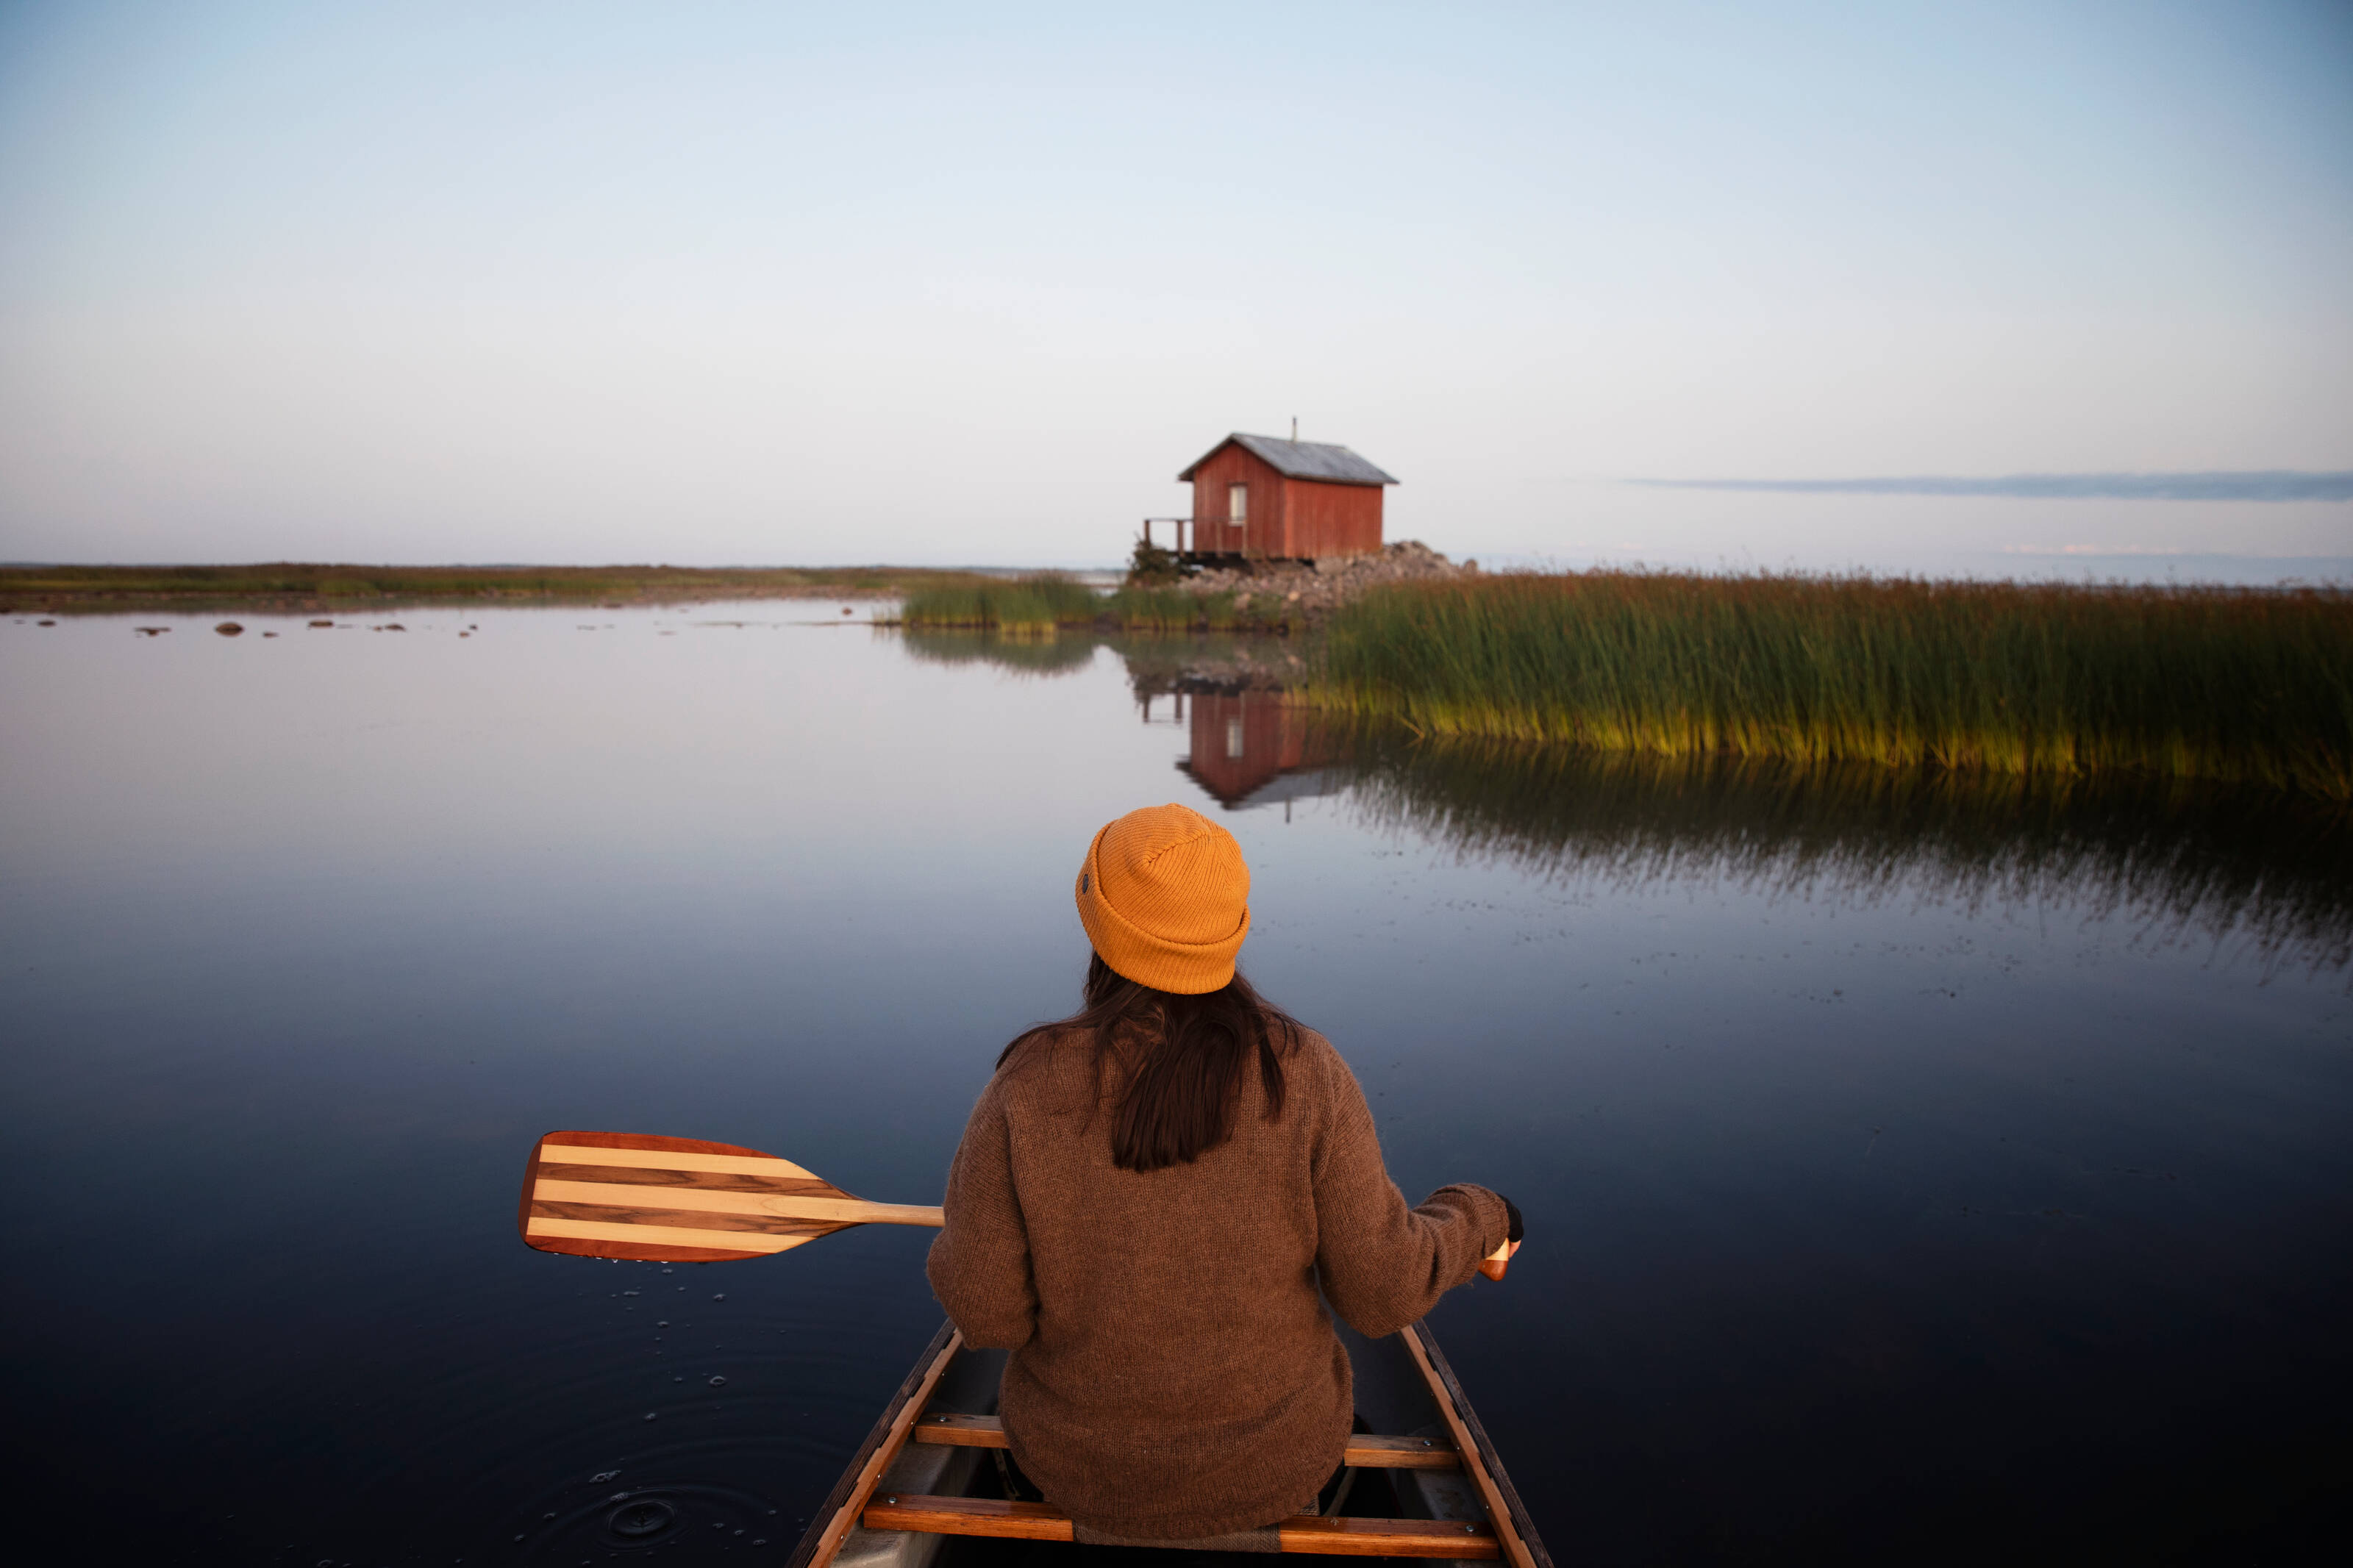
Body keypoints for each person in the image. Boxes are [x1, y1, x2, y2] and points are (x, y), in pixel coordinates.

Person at [926, 802, 1523, 1543]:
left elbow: (986, 1316)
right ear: (1229, 927)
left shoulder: (1025, 1083)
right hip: (1279, 1472)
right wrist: (1482, 1216)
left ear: (1097, 921)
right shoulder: (1306, 1072)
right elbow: (1379, 1292)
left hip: (1072, 1472)